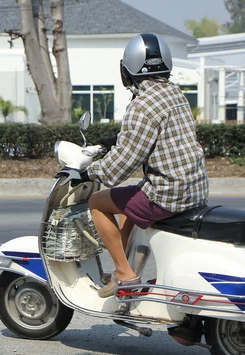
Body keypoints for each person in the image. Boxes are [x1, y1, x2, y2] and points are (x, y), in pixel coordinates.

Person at [79, 33, 209, 298]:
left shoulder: (142, 105)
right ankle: (127, 266)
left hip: (167, 194)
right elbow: (155, 136)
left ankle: (124, 273)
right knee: (127, 202)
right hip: (193, 188)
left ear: (128, 69)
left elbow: (118, 168)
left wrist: (88, 172)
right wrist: (115, 140)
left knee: (98, 202)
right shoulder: (175, 93)